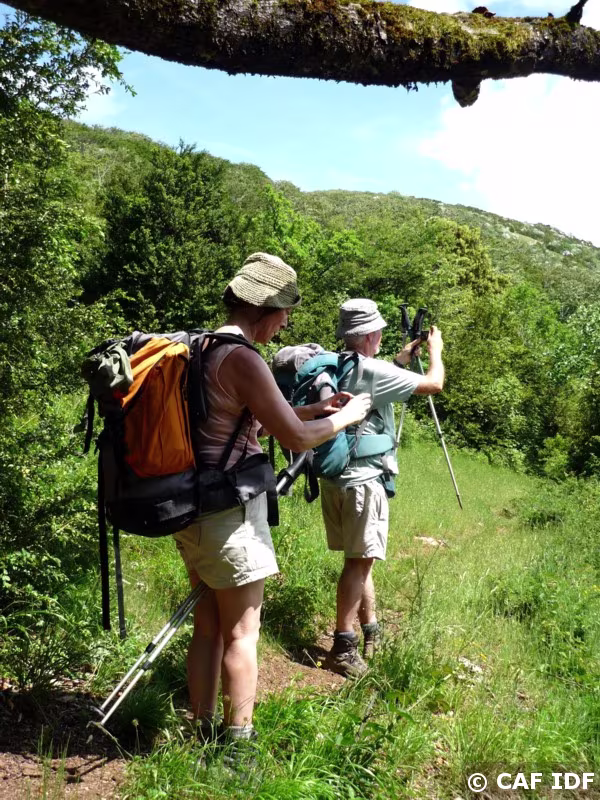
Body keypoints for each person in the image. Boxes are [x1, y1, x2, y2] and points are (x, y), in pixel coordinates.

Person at [173, 253, 371, 759]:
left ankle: (201, 729)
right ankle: (238, 750)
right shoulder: (243, 358)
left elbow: (252, 420)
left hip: (192, 508)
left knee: (208, 627)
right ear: (262, 309)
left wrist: (315, 407)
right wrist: (348, 418)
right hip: (230, 514)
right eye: (283, 312)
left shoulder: (199, 348)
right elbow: (296, 438)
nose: (285, 323)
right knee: (242, 633)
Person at [321, 298, 445, 678]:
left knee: (361, 560)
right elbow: (434, 384)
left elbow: (380, 381)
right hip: (363, 484)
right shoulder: (373, 370)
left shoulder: (340, 364)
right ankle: (343, 646)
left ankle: (370, 629)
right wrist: (436, 351)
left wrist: (402, 359)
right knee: (358, 563)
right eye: (379, 332)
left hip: (337, 479)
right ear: (370, 335)